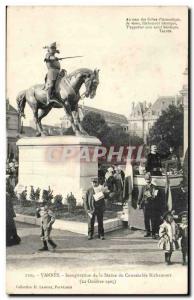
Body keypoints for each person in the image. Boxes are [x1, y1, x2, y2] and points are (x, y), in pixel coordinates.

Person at [137, 172, 160, 239]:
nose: (148, 180)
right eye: (146, 179)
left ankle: (153, 233)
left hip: (152, 205)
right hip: (145, 206)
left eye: (149, 179)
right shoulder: (143, 187)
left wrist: (151, 196)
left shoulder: (155, 187)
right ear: (145, 180)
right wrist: (138, 203)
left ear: (151, 179)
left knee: (153, 220)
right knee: (146, 219)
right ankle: (148, 232)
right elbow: (140, 196)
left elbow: (156, 197)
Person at [6, 177, 21, 246]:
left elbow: (9, 207)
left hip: (7, 215)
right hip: (8, 215)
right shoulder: (7, 195)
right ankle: (14, 239)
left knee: (9, 227)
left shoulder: (6, 195)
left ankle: (12, 240)